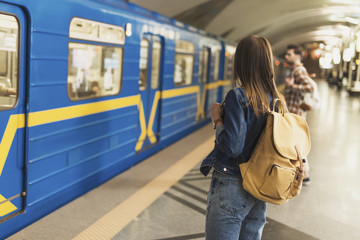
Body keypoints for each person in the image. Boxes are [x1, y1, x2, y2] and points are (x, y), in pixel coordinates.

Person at [200, 35, 286, 240]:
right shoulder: (276, 100)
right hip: (259, 187)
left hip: (231, 183)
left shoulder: (238, 96)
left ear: (241, 63)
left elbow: (232, 147)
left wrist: (217, 120)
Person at [284, 44, 314, 185]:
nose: (286, 56)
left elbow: (310, 87)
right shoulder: (296, 70)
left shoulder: (298, 70)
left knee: (297, 145)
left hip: (296, 115)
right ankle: (304, 174)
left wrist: (292, 86)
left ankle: (304, 174)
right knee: (296, 144)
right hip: (295, 114)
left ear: (297, 56)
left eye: (289, 54)